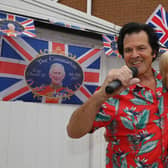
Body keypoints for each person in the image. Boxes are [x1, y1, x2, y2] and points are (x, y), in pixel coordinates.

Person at [67, 22, 168, 167]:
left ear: (153, 52)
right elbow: (74, 131)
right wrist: (101, 95)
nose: (134, 55)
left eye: (141, 48)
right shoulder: (112, 91)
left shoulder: (165, 83)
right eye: (128, 50)